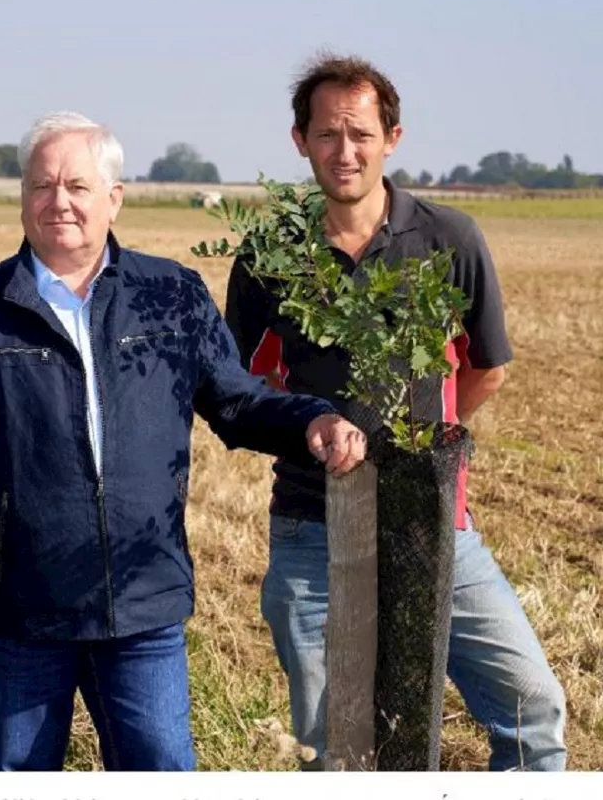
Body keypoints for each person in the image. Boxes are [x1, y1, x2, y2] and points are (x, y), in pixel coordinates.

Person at [0, 111, 368, 772]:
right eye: (42, 185)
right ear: (22, 197)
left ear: (114, 198)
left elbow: (237, 398)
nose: (59, 201)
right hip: (21, 617)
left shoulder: (168, 296)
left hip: (143, 611)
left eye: (79, 186)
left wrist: (310, 420)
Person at [223, 55, 568, 771]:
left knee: (533, 711)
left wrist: (417, 447)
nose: (343, 151)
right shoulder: (270, 254)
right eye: (325, 135)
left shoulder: (449, 239)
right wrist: (311, 428)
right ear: (300, 142)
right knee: (337, 750)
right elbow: (238, 394)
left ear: (392, 137)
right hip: (312, 529)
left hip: (436, 527)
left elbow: (487, 368)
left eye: (359, 133)